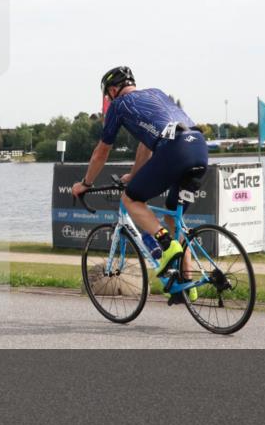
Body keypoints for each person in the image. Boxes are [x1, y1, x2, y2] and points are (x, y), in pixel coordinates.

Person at [71, 66, 209, 294]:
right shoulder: (156, 93)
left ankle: (165, 244)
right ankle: (187, 282)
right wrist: (134, 176)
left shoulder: (119, 105)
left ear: (114, 90)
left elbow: (101, 152)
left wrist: (85, 183)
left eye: (108, 94)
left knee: (130, 199)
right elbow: (146, 145)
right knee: (174, 218)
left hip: (174, 149)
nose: (109, 98)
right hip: (199, 148)